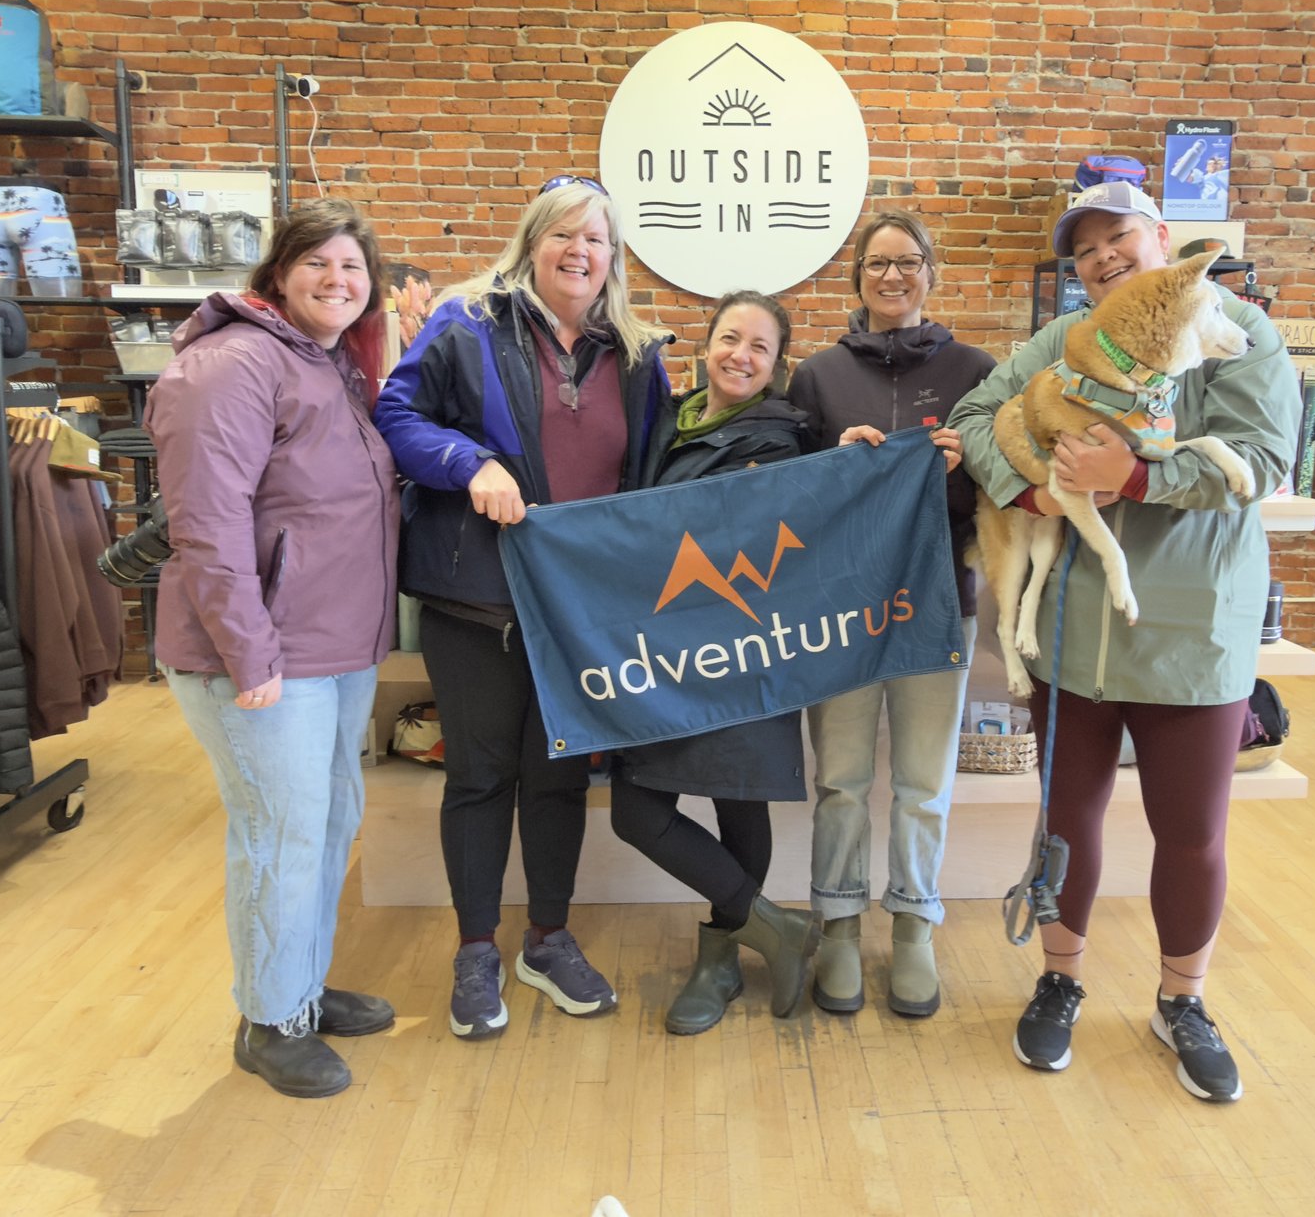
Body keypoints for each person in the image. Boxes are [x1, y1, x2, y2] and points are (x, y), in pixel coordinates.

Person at [948, 180, 1299, 1101]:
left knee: (1191, 832)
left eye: (1118, 238)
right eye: (1085, 250)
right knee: (1067, 817)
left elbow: (1262, 461)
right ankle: (1059, 977)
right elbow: (978, 418)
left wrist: (1134, 478)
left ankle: (1183, 1000)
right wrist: (1028, 490)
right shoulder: (1062, 345)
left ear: (1164, 240)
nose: (1103, 258)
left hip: (1191, 632)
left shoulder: (1241, 334)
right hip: (1074, 631)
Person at [375, 177, 673, 1040]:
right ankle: (476, 949)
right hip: (478, 600)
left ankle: (548, 938)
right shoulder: (466, 323)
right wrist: (469, 462)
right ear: (533, 239)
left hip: (579, 611)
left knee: (557, 778)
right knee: (478, 778)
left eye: (598, 240)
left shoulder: (641, 353)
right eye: (565, 235)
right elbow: (396, 413)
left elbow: (652, 474)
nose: (582, 252)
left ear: (614, 257)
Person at [146, 200, 401, 1100]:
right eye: (320, 264)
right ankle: (268, 1021)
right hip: (260, 658)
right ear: (277, 273)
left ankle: (300, 984)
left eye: (354, 269)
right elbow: (207, 526)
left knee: (327, 824)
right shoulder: (231, 365)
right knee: (278, 835)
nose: (339, 281)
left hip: (334, 647)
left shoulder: (328, 366)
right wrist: (250, 656)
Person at [784, 211, 995, 1017]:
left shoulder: (979, 372)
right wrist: (838, 468)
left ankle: (914, 924)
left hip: (938, 604)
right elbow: (790, 503)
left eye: (909, 261)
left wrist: (967, 463)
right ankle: (837, 921)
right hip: (839, 608)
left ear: (931, 273)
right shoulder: (818, 377)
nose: (893, 276)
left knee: (922, 781)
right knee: (839, 776)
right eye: (877, 263)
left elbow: (1004, 489)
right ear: (858, 277)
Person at [609, 291, 821, 1034]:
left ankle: (722, 958)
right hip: (660, 652)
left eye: (759, 348)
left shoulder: (780, 440)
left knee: (739, 801)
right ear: (707, 345)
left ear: (776, 365)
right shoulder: (665, 420)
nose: (741, 355)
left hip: (739, 651)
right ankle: (773, 927)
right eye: (731, 338)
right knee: (636, 812)